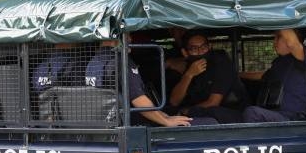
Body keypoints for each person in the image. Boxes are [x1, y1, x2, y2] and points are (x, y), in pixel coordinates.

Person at [86, 40, 216, 128]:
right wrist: (166, 121)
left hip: (110, 123)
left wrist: (163, 115)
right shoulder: (121, 61)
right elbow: (139, 101)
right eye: (127, 34)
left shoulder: (92, 63)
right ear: (117, 36)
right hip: (135, 125)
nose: (130, 39)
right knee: (210, 123)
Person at [240, 28, 306, 122]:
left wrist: (278, 16)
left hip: (293, 118)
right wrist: (237, 75)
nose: (274, 41)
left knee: (252, 113)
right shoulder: (279, 62)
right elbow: (262, 75)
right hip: (275, 114)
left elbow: (293, 44)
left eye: (279, 37)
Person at [166, 31, 246, 123]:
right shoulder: (188, 67)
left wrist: (186, 111)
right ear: (185, 53)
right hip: (202, 115)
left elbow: (213, 102)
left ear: (210, 47)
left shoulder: (221, 64)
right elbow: (174, 101)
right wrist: (188, 75)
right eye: (194, 49)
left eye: (203, 47)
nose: (200, 52)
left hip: (231, 115)